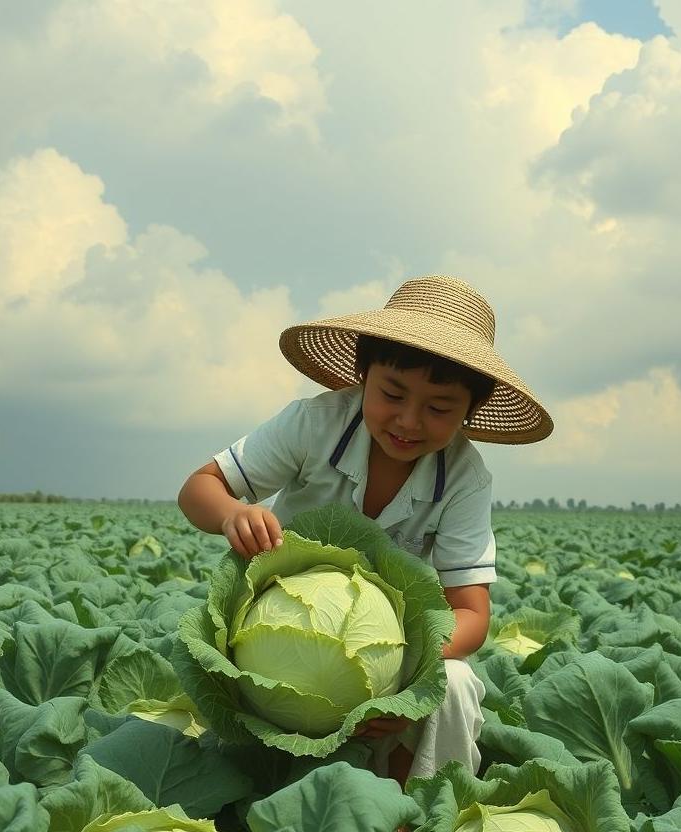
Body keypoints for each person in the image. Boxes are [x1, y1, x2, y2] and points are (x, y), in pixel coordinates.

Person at [177, 275, 553, 787]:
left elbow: (471, 613)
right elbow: (199, 488)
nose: (409, 420)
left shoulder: (465, 477)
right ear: (360, 374)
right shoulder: (312, 424)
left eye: (440, 408)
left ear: (470, 411)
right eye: (392, 393)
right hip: (270, 653)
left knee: (457, 684)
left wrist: (405, 675)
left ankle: (417, 816)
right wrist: (229, 514)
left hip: (391, 665)